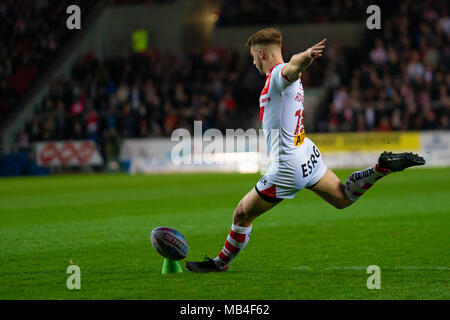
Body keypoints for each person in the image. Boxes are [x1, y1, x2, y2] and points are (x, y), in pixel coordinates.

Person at [186, 28, 425, 273]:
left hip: (288, 166)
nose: (253, 62)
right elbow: (294, 70)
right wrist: (302, 60)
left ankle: (219, 264)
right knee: (343, 198)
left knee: (242, 214)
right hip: (306, 153)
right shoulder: (291, 82)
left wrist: (306, 56)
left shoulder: (278, 74)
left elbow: (292, 67)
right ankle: (380, 169)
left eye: (253, 56)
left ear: (261, 53)